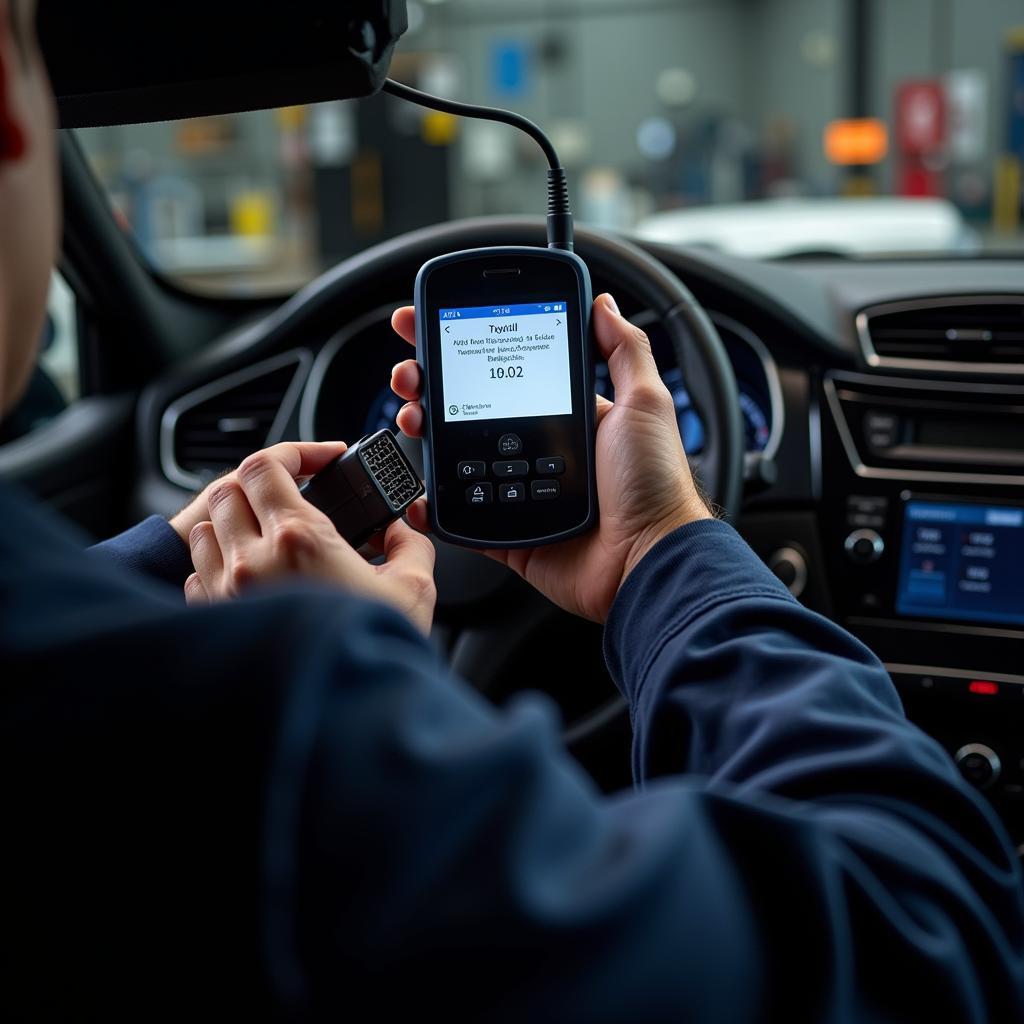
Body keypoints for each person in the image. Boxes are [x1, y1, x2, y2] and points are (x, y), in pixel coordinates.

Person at [2, 2, 1022, 1019]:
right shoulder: (297, 721)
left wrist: (157, 558)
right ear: (12, 98)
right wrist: (664, 552)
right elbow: (928, 928)